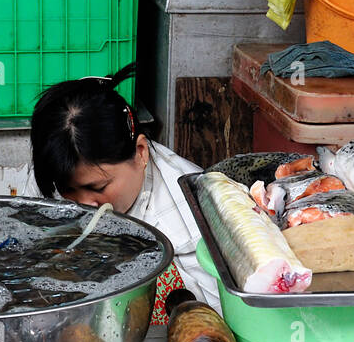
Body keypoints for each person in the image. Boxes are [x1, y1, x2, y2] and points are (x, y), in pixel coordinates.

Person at [23, 65, 219, 325]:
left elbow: (214, 318)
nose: (85, 204)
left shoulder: (190, 217)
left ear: (140, 153)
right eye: (68, 189)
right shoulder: (55, 173)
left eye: (98, 188)